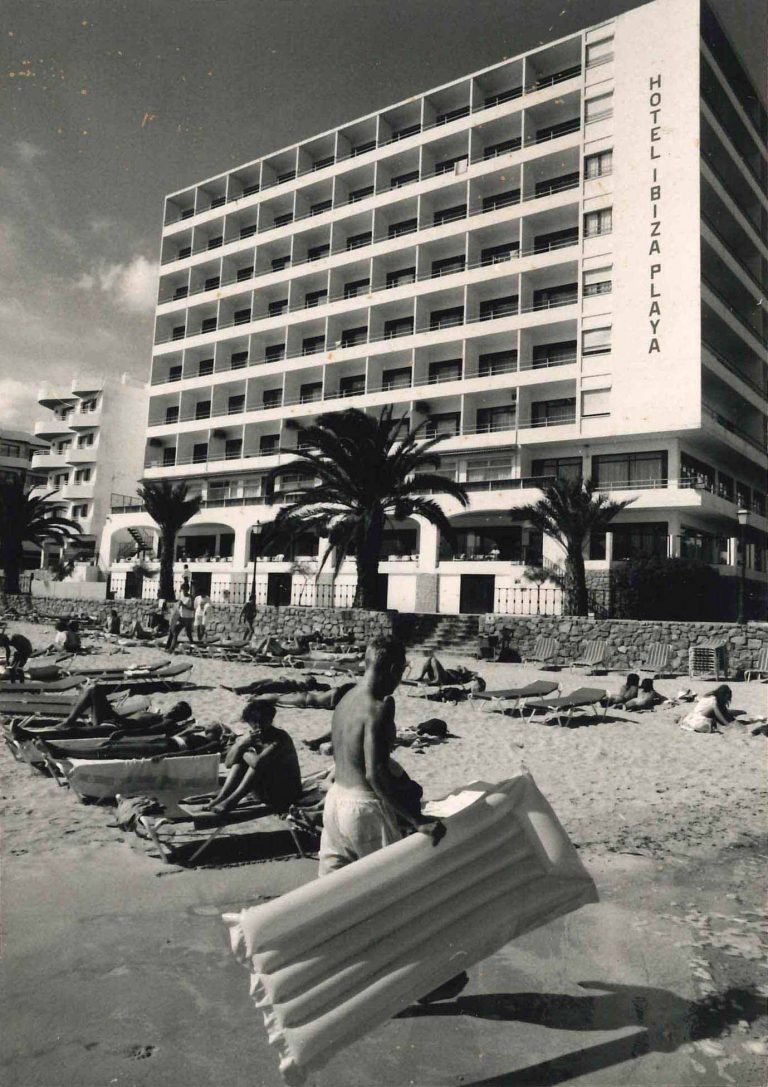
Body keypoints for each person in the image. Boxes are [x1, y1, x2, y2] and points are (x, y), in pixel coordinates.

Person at [319, 635, 467, 1004]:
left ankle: (333, 977)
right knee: (395, 900)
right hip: (364, 809)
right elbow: (375, 772)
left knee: (335, 900)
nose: (402, 677)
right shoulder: (380, 707)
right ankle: (419, 983)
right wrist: (414, 821)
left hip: (334, 802)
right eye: (401, 670)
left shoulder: (345, 698)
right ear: (387, 668)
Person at [206, 701, 302, 814]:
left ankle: (232, 800)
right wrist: (241, 744)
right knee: (240, 763)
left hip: (286, 792)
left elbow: (258, 764)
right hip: (266, 789)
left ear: (270, 720)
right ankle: (222, 796)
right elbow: (228, 763)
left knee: (256, 764)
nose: (259, 727)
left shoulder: (280, 738)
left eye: (263, 722)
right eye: (255, 723)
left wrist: (242, 749)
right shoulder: (251, 737)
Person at [57, 679, 192, 731]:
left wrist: (123, 734)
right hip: (116, 719)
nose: (173, 708)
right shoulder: (161, 715)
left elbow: (148, 732)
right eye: (175, 705)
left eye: (177, 709)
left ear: (179, 716)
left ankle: (69, 722)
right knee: (94, 689)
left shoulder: (166, 722)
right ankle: (70, 721)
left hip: (115, 726)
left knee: (95, 689)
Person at [414, 656, 479, 688]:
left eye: (461, 670)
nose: (461, 668)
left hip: (444, 678)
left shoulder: (461, 677)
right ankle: (421, 677)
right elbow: (460, 667)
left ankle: (437, 680)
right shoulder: (457, 672)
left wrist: (468, 673)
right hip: (438, 675)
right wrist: (461, 668)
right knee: (429, 659)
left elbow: (474, 675)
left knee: (434, 660)